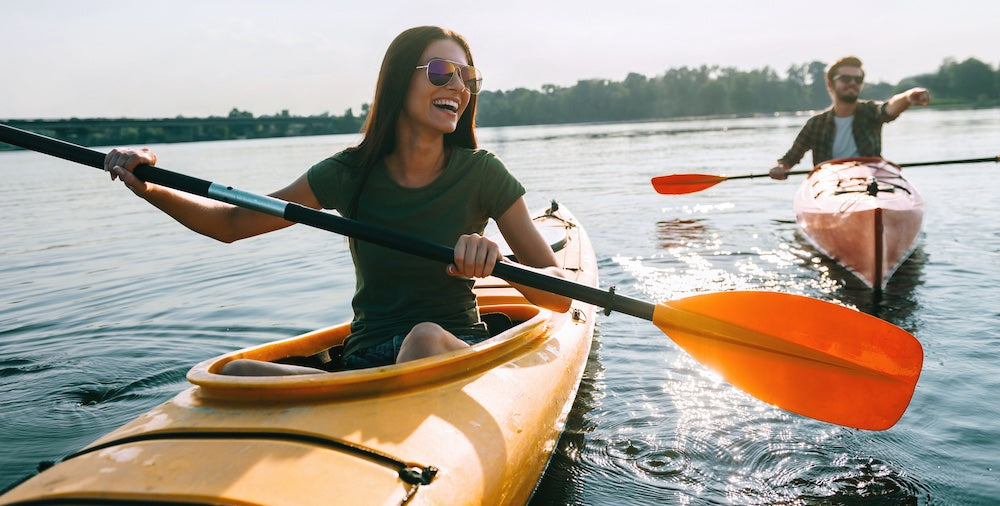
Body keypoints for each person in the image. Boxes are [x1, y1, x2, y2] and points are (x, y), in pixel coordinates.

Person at [104, 26, 571, 375]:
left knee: (423, 338)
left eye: (468, 77)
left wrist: (495, 262)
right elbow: (230, 223)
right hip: (364, 358)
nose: (459, 87)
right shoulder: (348, 173)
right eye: (441, 72)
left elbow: (558, 296)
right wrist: (148, 185)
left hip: (449, 347)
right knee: (234, 371)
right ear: (397, 81)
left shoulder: (482, 173)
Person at [769, 55, 931, 180]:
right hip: (830, 185)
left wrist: (908, 97)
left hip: (871, 181)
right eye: (845, 79)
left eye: (858, 79)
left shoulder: (870, 112)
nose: (852, 83)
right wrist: (780, 167)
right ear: (830, 84)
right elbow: (789, 159)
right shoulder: (815, 124)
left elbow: (888, 108)